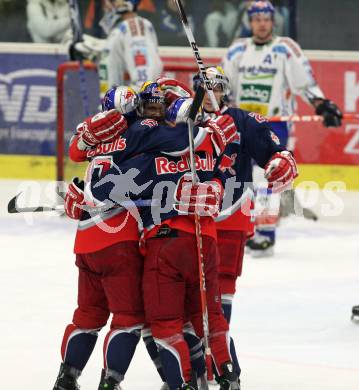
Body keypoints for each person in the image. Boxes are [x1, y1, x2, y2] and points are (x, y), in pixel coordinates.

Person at [53, 81, 237, 390]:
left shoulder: (96, 137)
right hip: (121, 241)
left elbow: (81, 158)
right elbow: (181, 141)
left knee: (87, 313)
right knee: (134, 317)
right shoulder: (140, 131)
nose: (151, 113)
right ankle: (114, 382)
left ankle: (66, 378)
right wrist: (208, 130)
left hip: (86, 241)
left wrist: (80, 194)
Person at [191, 65, 298, 383]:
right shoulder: (183, 119)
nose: (212, 93)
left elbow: (274, 151)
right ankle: (195, 357)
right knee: (189, 292)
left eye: (217, 87)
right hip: (191, 215)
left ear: (225, 91)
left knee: (222, 290)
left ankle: (218, 358)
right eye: (205, 86)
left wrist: (282, 161)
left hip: (232, 213)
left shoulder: (241, 120)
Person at [222, 0, 342, 257]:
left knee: (270, 178)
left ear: (272, 20)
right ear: (250, 22)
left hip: (274, 123)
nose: (262, 23)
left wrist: (321, 104)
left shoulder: (285, 48)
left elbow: (304, 81)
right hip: (242, 123)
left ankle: (265, 234)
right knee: (239, 179)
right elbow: (224, 86)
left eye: (266, 18)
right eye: (257, 19)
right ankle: (242, 228)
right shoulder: (236, 50)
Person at [73, 0, 163, 92]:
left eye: (112, 0)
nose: (106, 4)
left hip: (126, 105)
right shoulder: (120, 30)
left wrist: (119, 101)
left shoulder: (134, 26)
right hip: (114, 103)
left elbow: (144, 84)